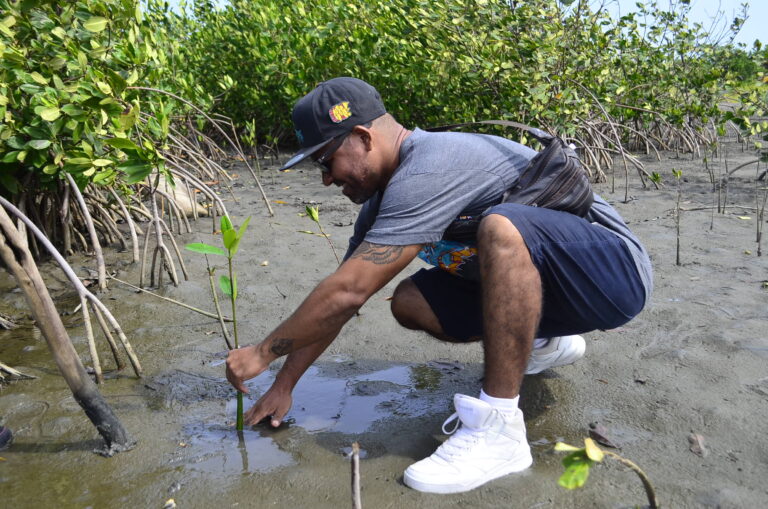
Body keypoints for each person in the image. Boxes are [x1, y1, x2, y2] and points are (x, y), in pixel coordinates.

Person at [226, 77, 652, 494]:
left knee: (502, 228)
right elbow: (340, 300)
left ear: (361, 136)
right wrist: (284, 386)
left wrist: (263, 352)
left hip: (616, 277)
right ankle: (546, 341)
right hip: (556, 289)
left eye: (325, 161)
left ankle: (500, 431)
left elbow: (348, 291)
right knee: (410, 301)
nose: (326, 179)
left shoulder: (432, 164)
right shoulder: (379, 205)